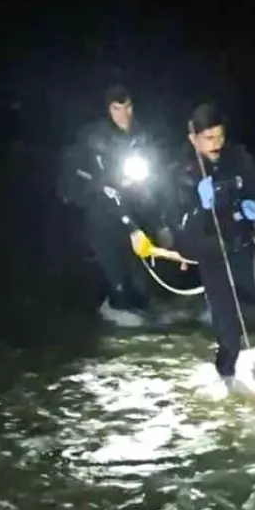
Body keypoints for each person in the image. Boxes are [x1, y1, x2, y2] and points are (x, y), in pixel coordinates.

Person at [174, 102, 255, 385]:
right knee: (229, 342)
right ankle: (227, 390)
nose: (216, 144)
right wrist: (199, 210)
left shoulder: (238, 158)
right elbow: (180, 232)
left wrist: (254, 204)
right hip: (212, 259)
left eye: (220, 136)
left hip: (244, 249)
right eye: (208, 138)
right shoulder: (181, 172)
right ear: (193, 138)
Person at [59, 83, 171, 327]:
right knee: (116, 275)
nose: (124, 114)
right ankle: (111, 310)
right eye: (117, 108)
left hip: (133, 212)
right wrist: (105, 185)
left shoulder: (142, 136)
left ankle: (139, 308)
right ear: (108, 110)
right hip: (102, 215)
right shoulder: (94, 137)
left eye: (128, 107)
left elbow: (154, 183)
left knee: (140, 281)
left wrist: (160, 224)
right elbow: (88, 180)